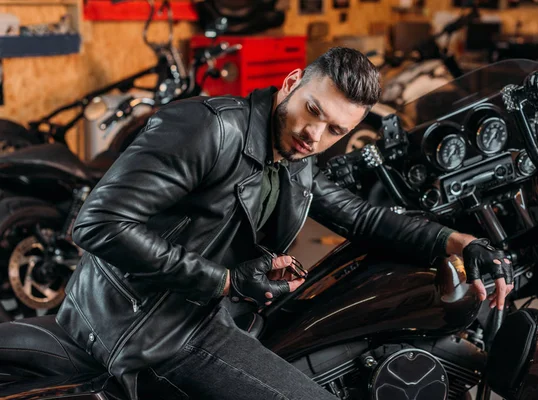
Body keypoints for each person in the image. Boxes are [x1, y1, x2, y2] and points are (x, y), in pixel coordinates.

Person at [53, 47, 513, 400]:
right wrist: (227, 281)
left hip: (201, 313)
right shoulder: (209, 128)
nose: (315, 135)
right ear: (292, 83)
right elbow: (99, 223)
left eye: (335, 131)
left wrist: (457, 241)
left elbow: (359, 216)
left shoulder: (296, 157)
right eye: (314, 110)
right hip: (145, 327)